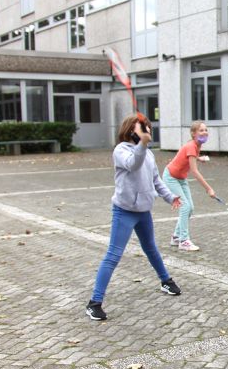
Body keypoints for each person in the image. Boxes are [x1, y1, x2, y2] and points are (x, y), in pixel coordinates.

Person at [85, 114, 182, 321]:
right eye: (143, 128)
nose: (148, 131)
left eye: (148, 128)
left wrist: (170, 197)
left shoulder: (148, 153)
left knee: (151, 248)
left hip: (144, 212)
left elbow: (156, 180)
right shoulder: (121, 150)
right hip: (124, 211)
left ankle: (166, 281)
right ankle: (94, 303)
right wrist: (143, 144)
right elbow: (133, 164)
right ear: (131, 131)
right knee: (113, 255)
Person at [163, 120, 214, 252]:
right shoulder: (192, 146)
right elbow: (194, 171)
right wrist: (208, 189)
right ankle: (184, 241)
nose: (205, 132)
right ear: (193, 133)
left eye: (206, 130)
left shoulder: (196, 145)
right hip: (171, 177)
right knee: (185, 207)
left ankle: (176, 237)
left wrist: (199, 158)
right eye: (201, 130)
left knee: (190, 208)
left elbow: (190, 156)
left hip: (181, 178)